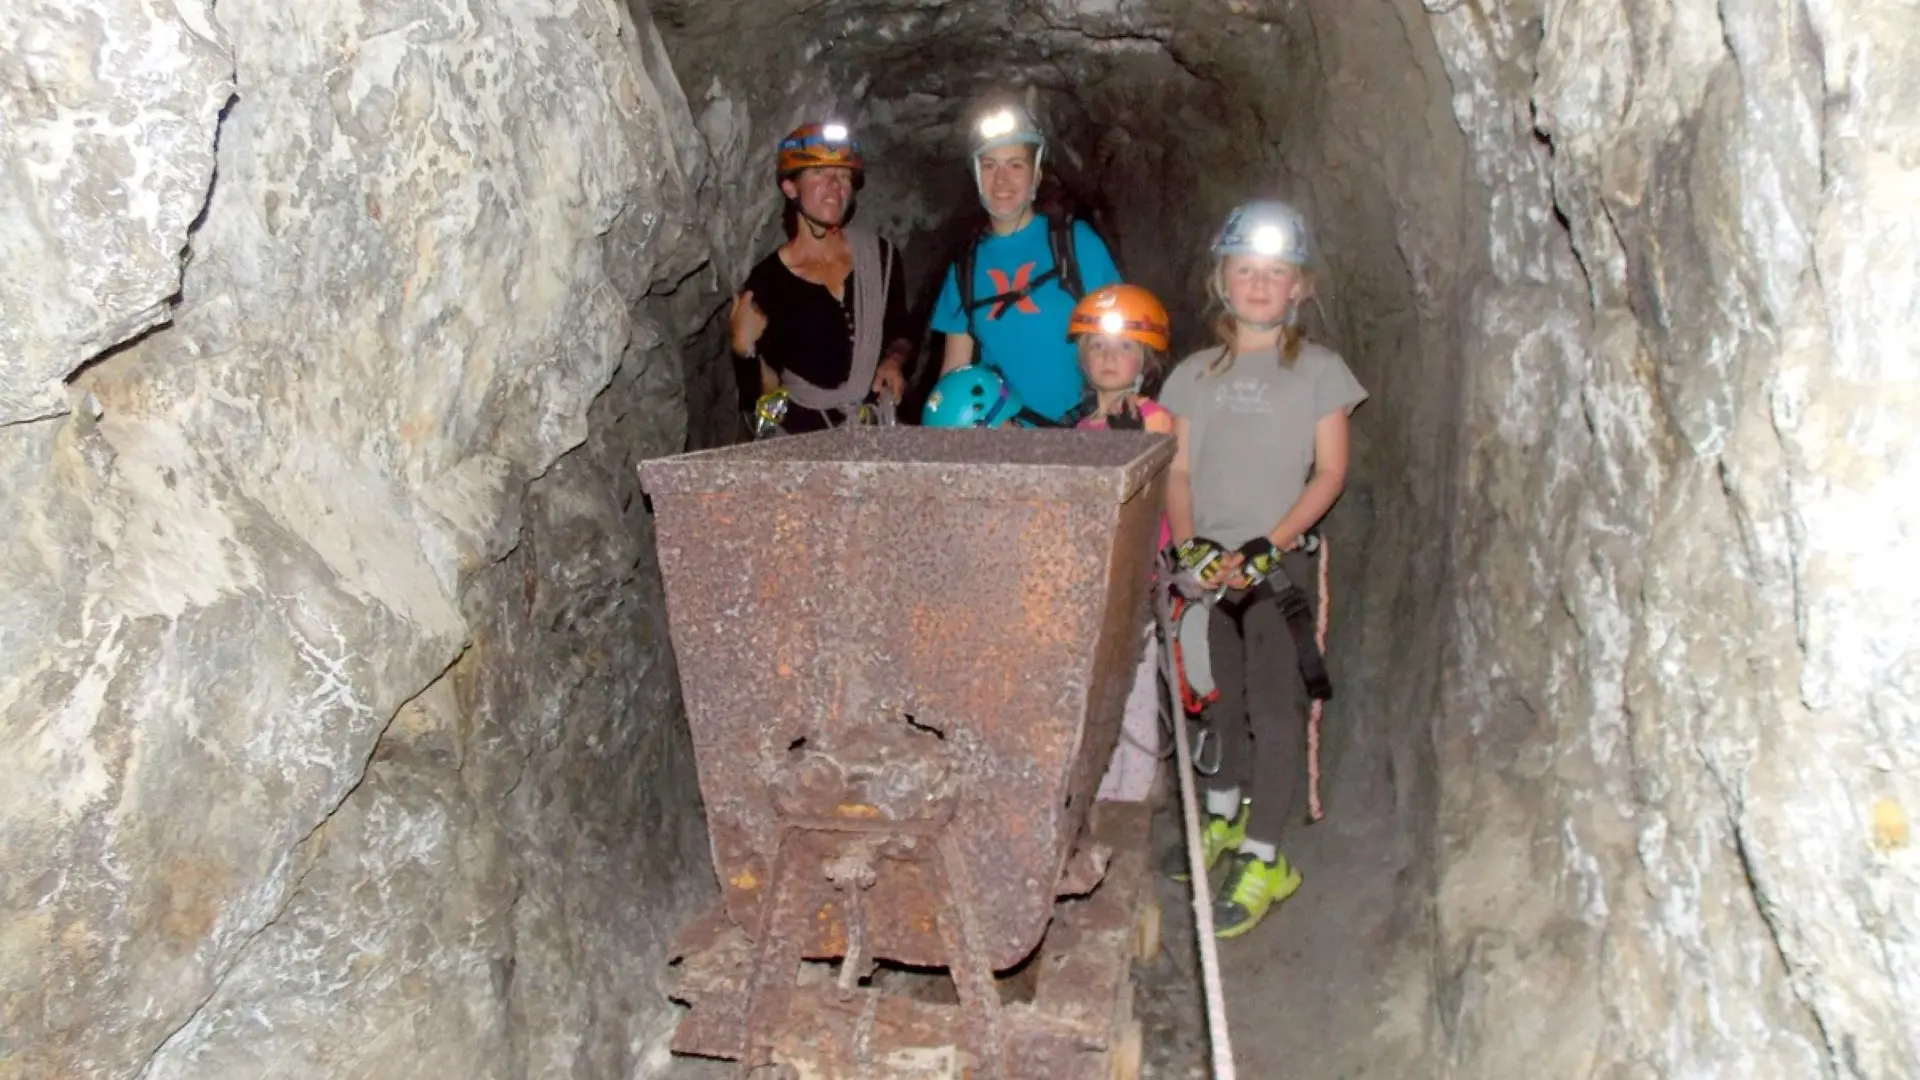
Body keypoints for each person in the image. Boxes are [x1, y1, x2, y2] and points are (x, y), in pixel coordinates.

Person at [1158, 200, 1368, 938]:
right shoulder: (1192, 375)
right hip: (1212, 574)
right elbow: (1177, 472)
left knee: (1275, 712)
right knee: (1221, 702)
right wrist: (1192, 553)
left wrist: (1267, 546)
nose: (1258, 284)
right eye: (1245, 270)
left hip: (1277, 575)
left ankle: (1266, 855)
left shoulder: (1319, 371)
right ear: (1222, 280)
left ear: (1297, 288)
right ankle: (1225, 818)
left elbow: (1330, 473)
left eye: (1274, 274)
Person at [929, 102, 1122, 424]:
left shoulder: (1076, 243)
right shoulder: (966, 265)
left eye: (1015, 165)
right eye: (989, 166)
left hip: (1085, 431)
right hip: (1006, 436)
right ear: (977, 176)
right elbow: (954, 372)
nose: (1001, 180)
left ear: (1036, 176)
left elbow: (1123, 341)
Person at [1066, 285, 1178, 804]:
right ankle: (1101, 791)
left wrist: (1132, 441)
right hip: (1093, 587)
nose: (1109, 358)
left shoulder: (1153, 417)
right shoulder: (1082, 427)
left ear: (1146, 358)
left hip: (1135, 583)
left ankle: (1132, 797)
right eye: (1097, 346)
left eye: (1124, 346)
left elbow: (1158, 483)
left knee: (1131, 693)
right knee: (1098, 695)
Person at [730, 121, 913, 435]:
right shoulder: (768, 283)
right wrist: (743, 348)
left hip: (874, 433)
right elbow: (764, 398)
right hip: (807, 441)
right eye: (819, 173)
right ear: (790, 187)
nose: (835, 185)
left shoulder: (880, 257)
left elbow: (901, 330)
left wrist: (894, 359)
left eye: (843, 175)